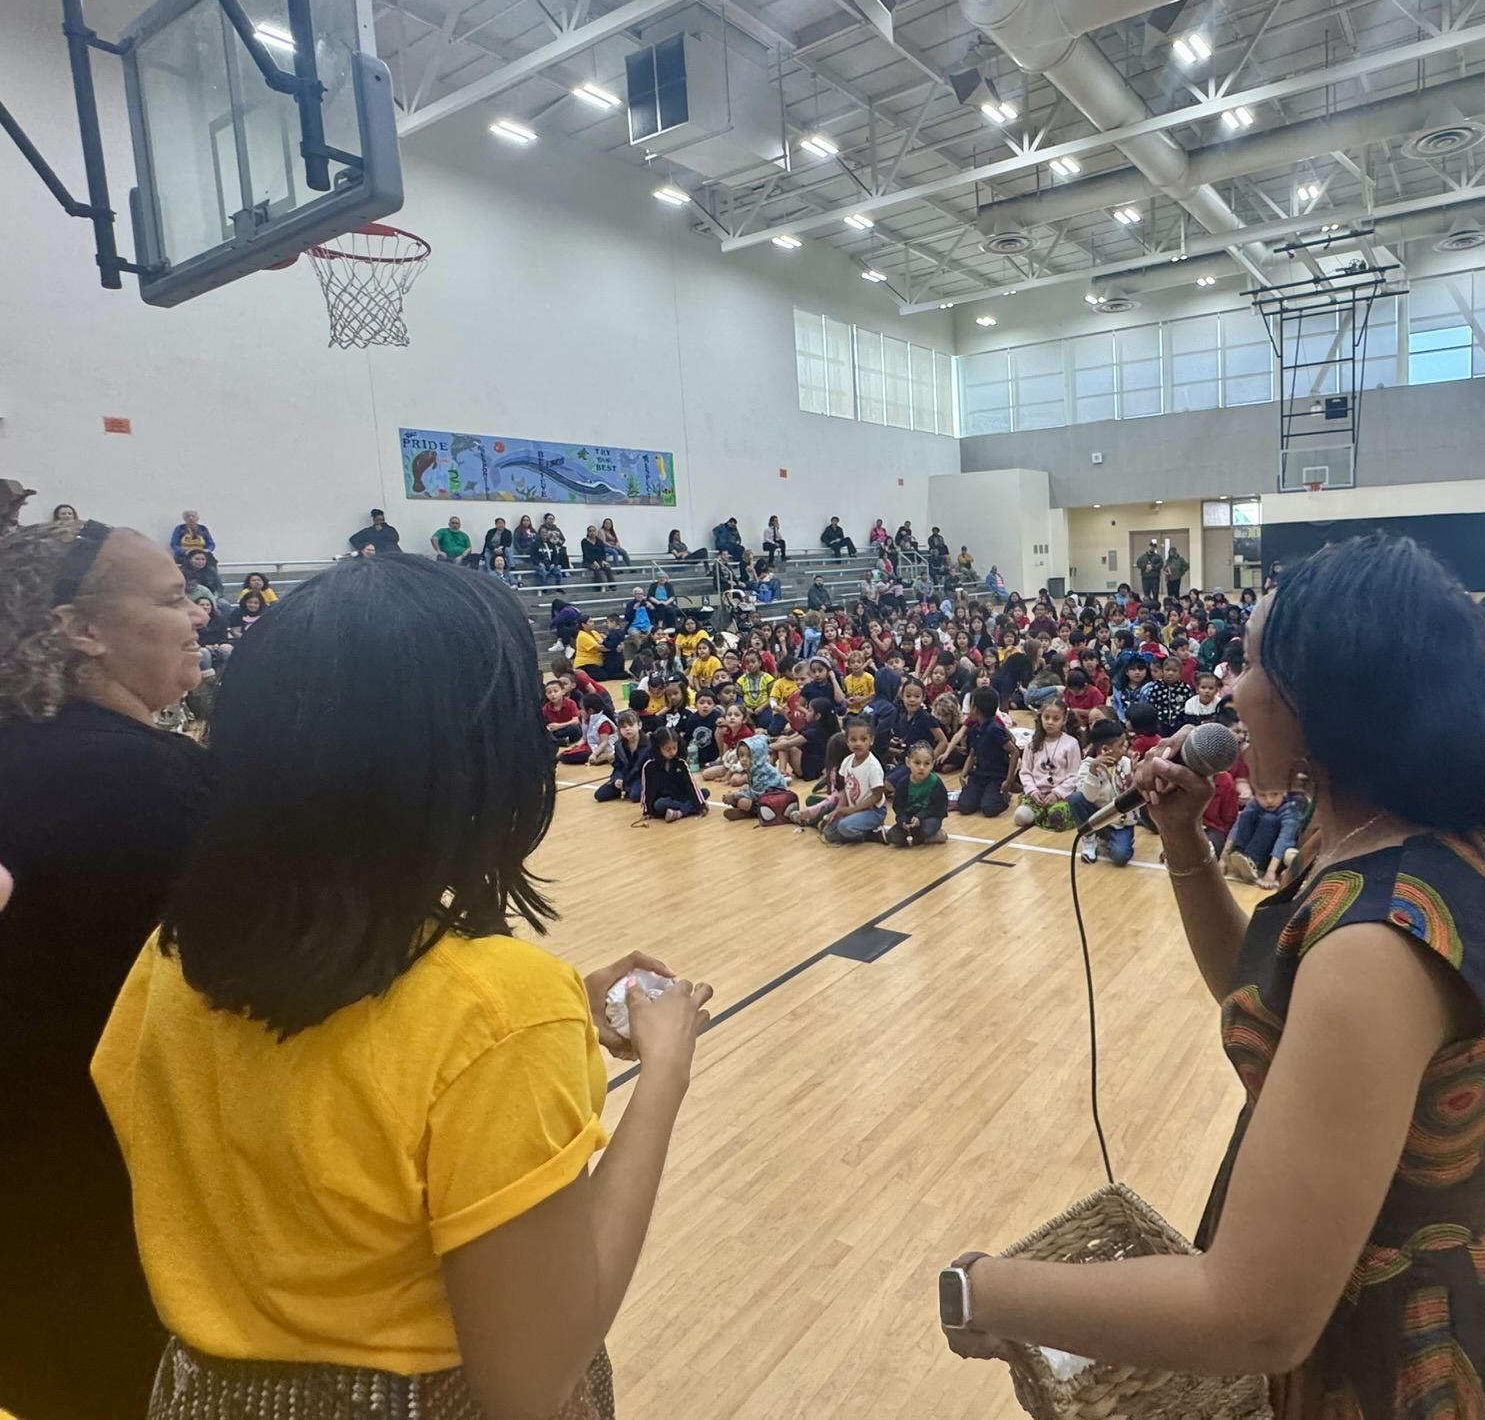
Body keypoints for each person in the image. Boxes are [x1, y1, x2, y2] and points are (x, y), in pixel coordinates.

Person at [938, 534, 1485, 1415]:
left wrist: (982, 1288)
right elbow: (1264, 999)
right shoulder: (1383, 837)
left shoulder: (1378, 945)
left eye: (1250, 666)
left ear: (1323, 702)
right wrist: (1184, 844)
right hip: (1391, 1285)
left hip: (1396, 1357)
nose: (1229, 694)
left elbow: (1255, 1317)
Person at [89, 555, 709, 1420]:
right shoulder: (497, 1009)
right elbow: (530, 1383)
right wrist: (664, 1077)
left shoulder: (172, 952)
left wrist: (555, 1007)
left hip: (199, 1393)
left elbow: (356, 1068)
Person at [0, 520, 211, 1418]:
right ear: (80, 630)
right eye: (168, 599)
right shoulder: (154, 784)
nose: (196, 612)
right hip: (136, 1215)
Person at [1069, 717, 1137, 866]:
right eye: (1121, 745)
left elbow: (1133, 796)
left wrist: (1135, 774)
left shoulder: (1125, 763)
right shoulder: (1086, 767)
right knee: (1075, 799)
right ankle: (1089, 841)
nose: (1125, 748)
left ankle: (1114, 838)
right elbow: (1089, 796)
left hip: (1121, 822)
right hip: (1098, 817)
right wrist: (1093, 772)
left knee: (1120, 857)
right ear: (1105, 749)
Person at [1011, 697, 1083, 829]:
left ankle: (1046, 814)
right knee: (1020, 817)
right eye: (1046, 717)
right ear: (1041, 717)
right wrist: (1032, 791)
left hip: (1062, 796)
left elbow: (1074, 776)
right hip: (1036, 795)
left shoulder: (1071, 744)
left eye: (1055, 719)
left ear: (1064, 720)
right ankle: (1040, 812)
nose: (1050, 722)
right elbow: (1025, 772)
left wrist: (1057, 793)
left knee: (1057, 818)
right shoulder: (1032, 743)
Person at [822, 716, 889, 843]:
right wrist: (839, 810)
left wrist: (851, 810)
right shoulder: (847, 761)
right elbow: (845, 790)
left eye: (863, 739)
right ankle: (868, 830)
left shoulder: (873, 766)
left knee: (844, 827)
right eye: (853, 739)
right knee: (829, 832)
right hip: (856, 810)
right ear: (847, 742)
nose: (858, 743)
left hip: (873, 811)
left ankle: (872, 834)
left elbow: (877, 796)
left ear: (871, 740)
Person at [953, 685, 1014, 818]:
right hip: (979, 775)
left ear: (975, 709)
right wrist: (963, 774)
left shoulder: (995, 730)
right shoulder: (975, 729)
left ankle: (1004, 798)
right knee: (964, 806)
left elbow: (1014, 752)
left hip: (996, 776)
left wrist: (1008, 780)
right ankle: (982, 794)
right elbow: (972, 753)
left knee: (989, 809)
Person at [886, 741, 949, 846]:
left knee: (927, 828)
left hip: (929, 818)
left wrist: (921, 816)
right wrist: (902, 819)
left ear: (933, 764)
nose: (921, 768)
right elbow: (898, 807)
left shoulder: (936, 783)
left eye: (927, 763)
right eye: (917, 763)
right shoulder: (903, 783)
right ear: (907, 762)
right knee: (892, 836)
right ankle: (921, 838)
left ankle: (924, 836)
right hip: (910, 818)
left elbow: (940, 808)